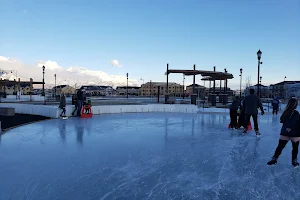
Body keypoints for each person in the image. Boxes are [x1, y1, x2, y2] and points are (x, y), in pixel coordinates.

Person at [267, 98, 300, 167]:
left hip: (285, 132)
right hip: (295, 133)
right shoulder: (296, 113)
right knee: (295, 148)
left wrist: (287, 127)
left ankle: (274, 159)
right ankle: (294, 161)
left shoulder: (285, 112)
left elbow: (281, 121)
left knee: (280, 147)